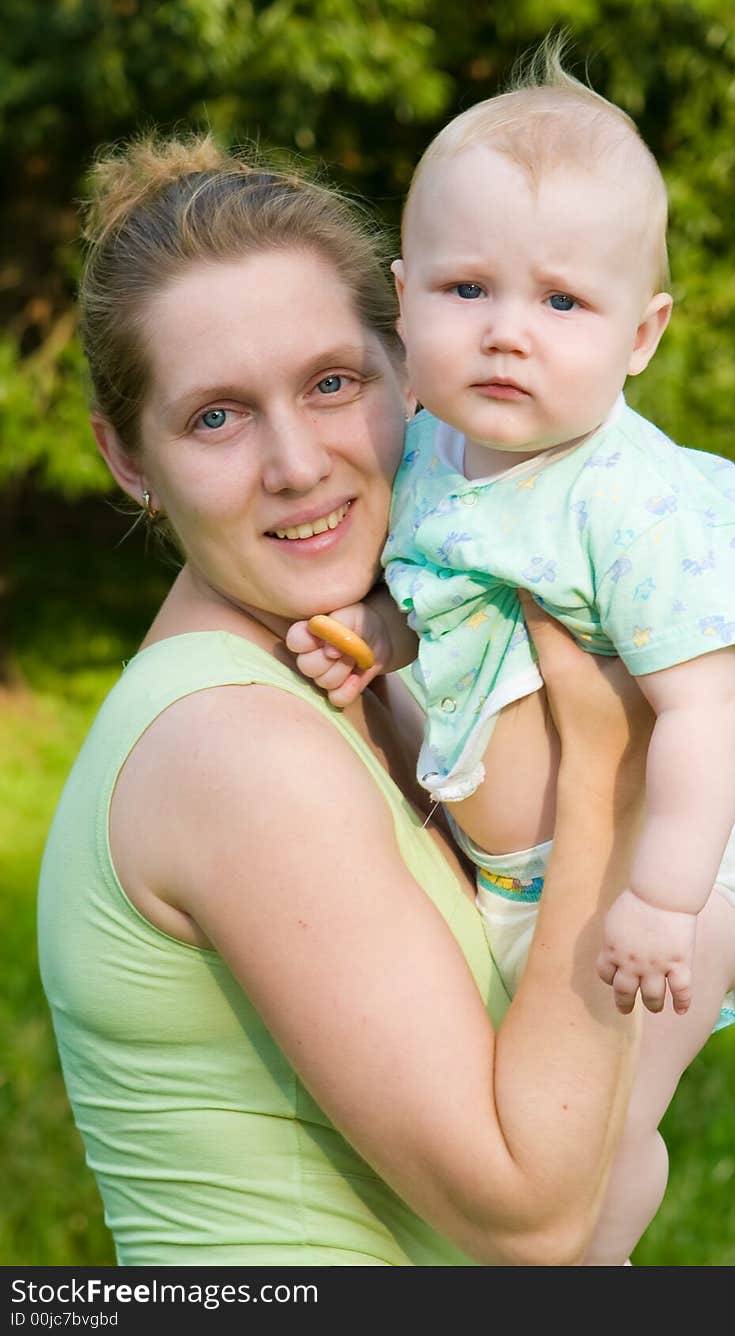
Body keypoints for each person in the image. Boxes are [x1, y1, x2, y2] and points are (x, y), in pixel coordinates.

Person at [36, 131, 656, 1267]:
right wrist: (610, 778)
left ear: (410, 365)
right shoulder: (232, 746)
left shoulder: (359, 677)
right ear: (129, 459)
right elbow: (530, 1216)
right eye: (215, 416)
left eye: (332, 384)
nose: (297, 464)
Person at [290, 43, 735, 1265]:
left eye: (561, 302)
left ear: (642, 333)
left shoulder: (632, 504)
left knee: (595, 1146)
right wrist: (384, 641)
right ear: (402, 299)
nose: (509, 334)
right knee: (488, 1132)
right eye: (468, 291)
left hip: (668, 879)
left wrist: (663, 901)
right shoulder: (422, 455)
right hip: (517, 879)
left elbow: (704, 713)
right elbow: (444, 606)